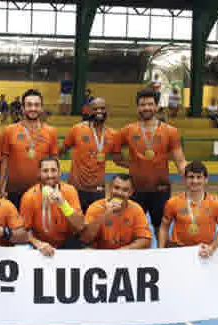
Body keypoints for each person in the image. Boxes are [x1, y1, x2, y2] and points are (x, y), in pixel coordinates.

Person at [112, 87, 187, 238]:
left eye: (150, 104)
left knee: (160, 225)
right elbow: (115, 156)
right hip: (134, 188)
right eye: (142, 104)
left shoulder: (170, 131)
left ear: (157, 106)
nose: (146, 107)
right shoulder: (127, 130)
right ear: (138, 107)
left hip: (160, 188)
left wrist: (192, 177)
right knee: (131, 224)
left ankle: (160, 256)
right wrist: (132, 164)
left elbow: (181, 161)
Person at [0, 89, 58, 208]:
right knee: (15, 225)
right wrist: (1, 188)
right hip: (14, 190)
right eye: (29, 105)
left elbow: (55, 163)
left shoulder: (51, 132)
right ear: (22, 108)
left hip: (42, 190)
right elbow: (4, 162)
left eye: (36, 105)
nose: (33, 108)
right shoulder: (9, 130)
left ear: (41, 108)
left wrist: (56, 187)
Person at [59, 98, 116, 213]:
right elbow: (60, 151)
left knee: (95, 225)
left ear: (107, 111)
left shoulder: (113, 135)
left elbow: (119, 158)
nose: (99, 111)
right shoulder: (77, 129)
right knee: (72, 223)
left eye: (102, 108)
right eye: (95, 109)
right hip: (75, 188)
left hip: (98, 190)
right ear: (89, 111)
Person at [20, 158, 85, 256]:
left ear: (59, 172)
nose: (50, 175)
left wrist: (63, 204)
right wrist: (38, 244)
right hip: (40, 245)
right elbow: (23, 231)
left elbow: (80, 226)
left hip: (66, 243)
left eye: (53, 170)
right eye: (45, 171)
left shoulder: (70, 191)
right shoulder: (29, 197)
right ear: (39, 173)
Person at [159, 161, 218, 258]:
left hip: (204, 252)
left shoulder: (215, 203)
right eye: (191, 177)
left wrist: (212, 247)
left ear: (206, 180)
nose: (195, 181)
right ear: (185, 179)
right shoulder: (173, 202)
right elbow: (164, 227)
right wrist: (160, 251)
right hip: (179, 251)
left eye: (199, 177)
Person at [81, 174, 152, 249]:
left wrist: (123, 250)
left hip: (126, 254)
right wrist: (106, 214)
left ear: (131, 192)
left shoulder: (136, 209)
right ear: (110, 188)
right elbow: (85, 238)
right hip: (101, 254)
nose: (119, 193)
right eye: (116, 188)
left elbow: (146, 240)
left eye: (125, 190)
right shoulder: (95, 207)